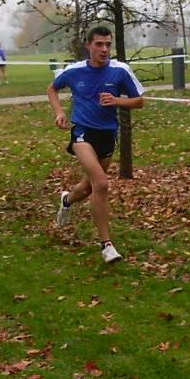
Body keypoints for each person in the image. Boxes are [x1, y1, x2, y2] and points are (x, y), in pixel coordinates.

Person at [46, 26, 145, 264]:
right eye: (99, 44)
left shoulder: (120, 71)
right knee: (101, 183)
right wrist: (59, 112)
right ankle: (106, 245)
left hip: (107, 134)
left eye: (108, 44)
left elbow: (139, 101)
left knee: (88, 188)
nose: (104, 49)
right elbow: (52, 88)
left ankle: (67, 200)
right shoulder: (75, 71)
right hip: (82, 132)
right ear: (89, 45)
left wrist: (117, 100)